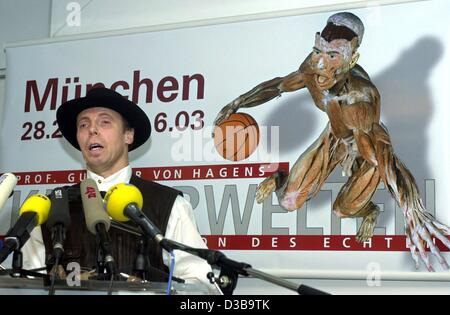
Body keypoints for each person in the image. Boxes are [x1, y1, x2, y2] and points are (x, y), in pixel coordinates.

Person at [214, 12, 450, 271]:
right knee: (288, 201)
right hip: (335, 134)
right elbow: (279, 86)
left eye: (333, 55)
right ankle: (280, 177)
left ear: (351, 60)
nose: (321, 64)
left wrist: (411, 210)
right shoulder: (311, 67)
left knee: (342, 209)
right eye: (318, 51)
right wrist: (238, 102)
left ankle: (369, 212)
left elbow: (384, 157)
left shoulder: (360, 97)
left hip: (364, 146)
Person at [23, 87, 220, 294]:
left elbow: (202, 285)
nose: (92, 130)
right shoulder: (52, 207)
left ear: (128, 135)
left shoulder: (167, 204)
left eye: (104, 122)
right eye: (83, 124)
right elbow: (25, 286)